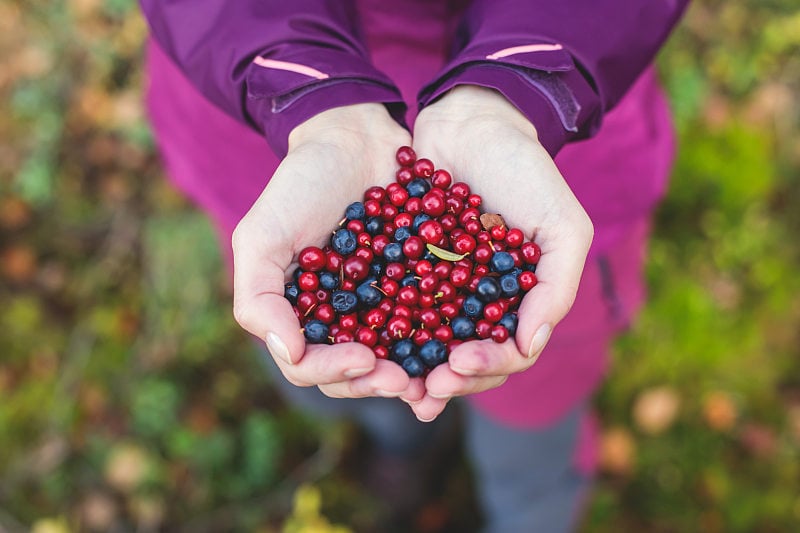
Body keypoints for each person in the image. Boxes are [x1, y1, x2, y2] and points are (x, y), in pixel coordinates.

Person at [139, 1, 689, 531]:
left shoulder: (470, 233)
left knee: (536, 397)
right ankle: (403, 447)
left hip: (553, 140)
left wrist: (521, 78)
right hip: (263, 135)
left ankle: (532, 502)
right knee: (339, 366)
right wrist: (301, 84)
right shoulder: (338, 247)